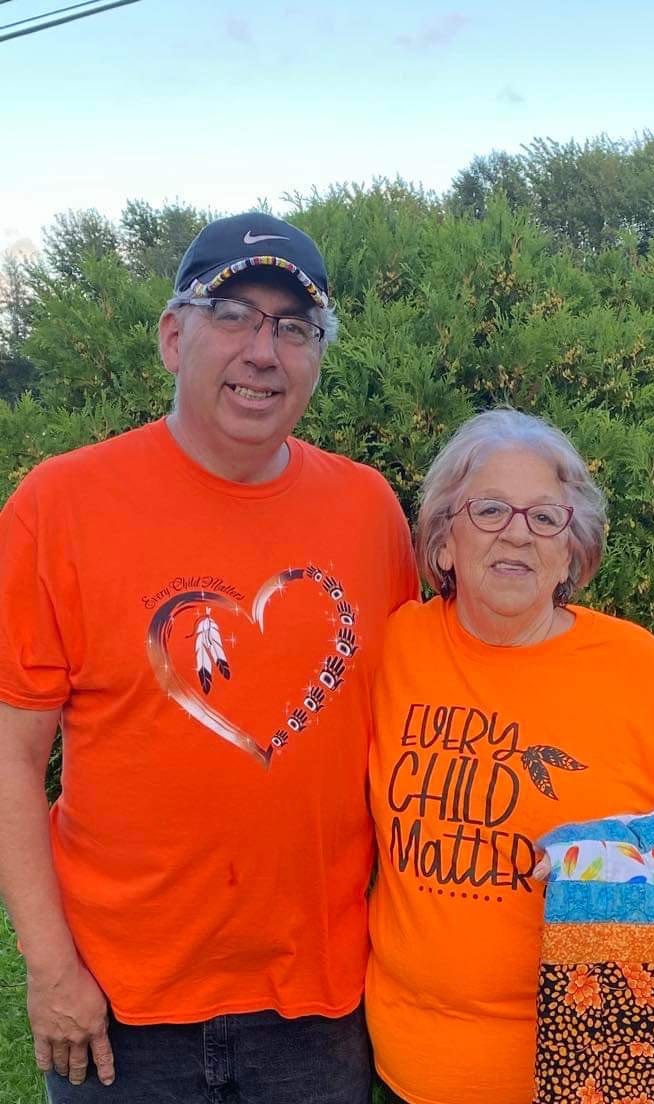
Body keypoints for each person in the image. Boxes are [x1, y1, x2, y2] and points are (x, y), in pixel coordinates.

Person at [0, 213, 418, 1103]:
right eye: (233, 314)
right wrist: (50, 969)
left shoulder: (370, 512)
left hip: (319, 1007)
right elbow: (12, 754)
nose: (264, 351)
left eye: (294, 328)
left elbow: (419, 719)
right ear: (172, 335)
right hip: (120, 1006)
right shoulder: (61, 506)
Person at [366, 409, 654, 1104]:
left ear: (571, 553)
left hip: (585, 1075)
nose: (517, 531)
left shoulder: (630, 666)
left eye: (545, 518)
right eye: (489, 509)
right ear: (445, 542)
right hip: (406, 1069)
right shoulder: (399, 646)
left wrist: (613, 850)